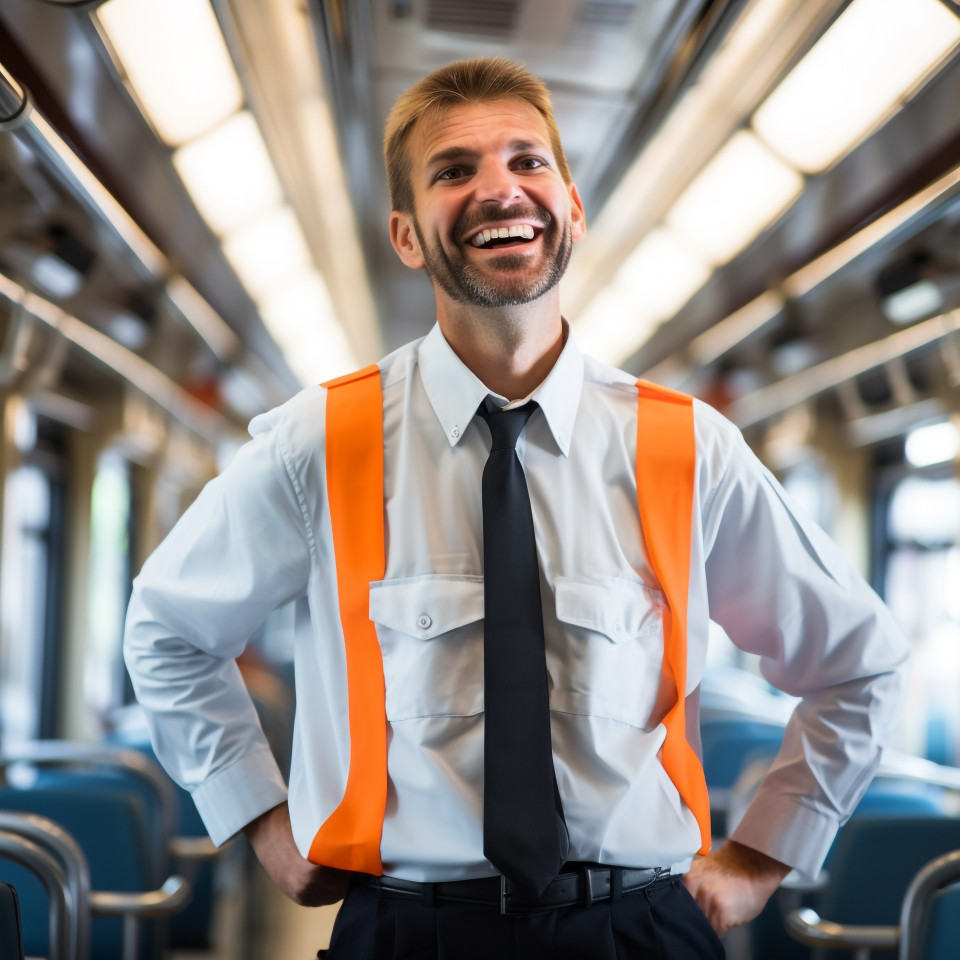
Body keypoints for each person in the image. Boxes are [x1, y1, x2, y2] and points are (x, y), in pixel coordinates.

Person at [124, 56, 910, 958]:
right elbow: (168, 629)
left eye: (527, 162)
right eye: (454, 171)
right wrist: (259, 817)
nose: (500, 190)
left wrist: (765, 854)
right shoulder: (321, 439)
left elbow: (860, 664)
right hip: (407, 928)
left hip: (640, 926)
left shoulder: (687, 446)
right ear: (408, 237)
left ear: (571, 209)